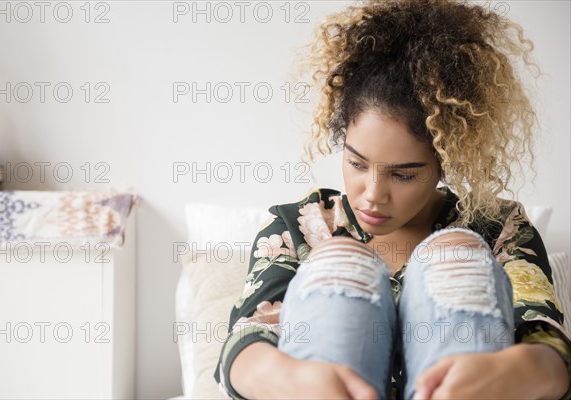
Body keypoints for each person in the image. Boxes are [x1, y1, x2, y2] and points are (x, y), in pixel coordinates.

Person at [213, 0, 571, 399]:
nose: (372, 195)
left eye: (403, 174)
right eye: (356, 163)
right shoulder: (298, 225)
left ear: (445, 161)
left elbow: (546, 343)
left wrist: (519, 370)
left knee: (456, 256)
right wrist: (294, 381)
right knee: (340, 262)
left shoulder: (498, 226)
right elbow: (246, 340)